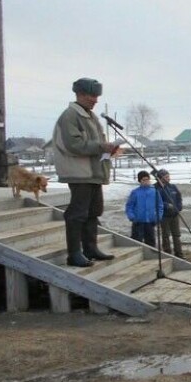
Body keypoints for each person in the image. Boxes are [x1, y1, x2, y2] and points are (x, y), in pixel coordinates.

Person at [51, 77, 119, 267]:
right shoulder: (70, 116)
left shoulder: (91, 116)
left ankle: (90, 248)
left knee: (93, 211)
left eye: (97, 96)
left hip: (93, 173)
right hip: (80, 173)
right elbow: (74, 144)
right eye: (92, 95)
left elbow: (94, 145)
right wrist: (102, 146)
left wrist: (108, 149)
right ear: (79, 94)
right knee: (77, 213)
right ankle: (74, 254)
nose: (95, 99)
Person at [126, 170, 164, 247]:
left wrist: (158, 217)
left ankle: (151, 257)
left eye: (147, 179)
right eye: (144, 180)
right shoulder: (135, 192)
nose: (146, 181)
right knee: (136, 242)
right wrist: (132, 217)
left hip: (150, 221)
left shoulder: (154, 191)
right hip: (138, 221)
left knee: (151, 242)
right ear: (140, 181)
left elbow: (160, 205)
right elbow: (129, 206)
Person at [155, 169, 184, 258]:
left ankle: (179, 253)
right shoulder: (157, 188)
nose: (169, 178)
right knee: (166, 235)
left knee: (176, 234)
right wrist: (166, 205)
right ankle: (167, 253)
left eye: (169, 176)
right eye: (166, 177)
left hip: (174, 215)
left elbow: (179, 198)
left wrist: (178, 207)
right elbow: (157, 201)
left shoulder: (173, 187)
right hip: (164, 216)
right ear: (161, 178)